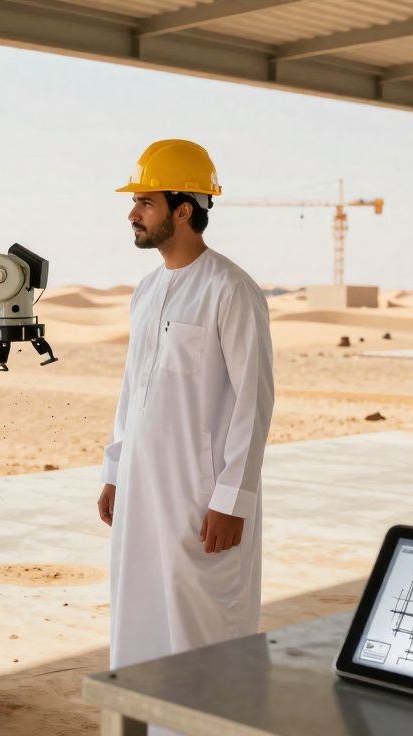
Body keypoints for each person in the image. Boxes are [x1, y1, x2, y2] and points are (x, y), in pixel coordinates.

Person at [99, 139, 275, 675]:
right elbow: (133, 391)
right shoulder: (147, 290)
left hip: (201, 498)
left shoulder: (231, 290)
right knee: (139, 612)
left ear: (183, 210)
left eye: (145, 202)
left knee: (202, 628)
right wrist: (115, 470)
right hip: (141, 487)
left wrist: (233, 500)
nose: (133, 214)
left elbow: (254, 400)